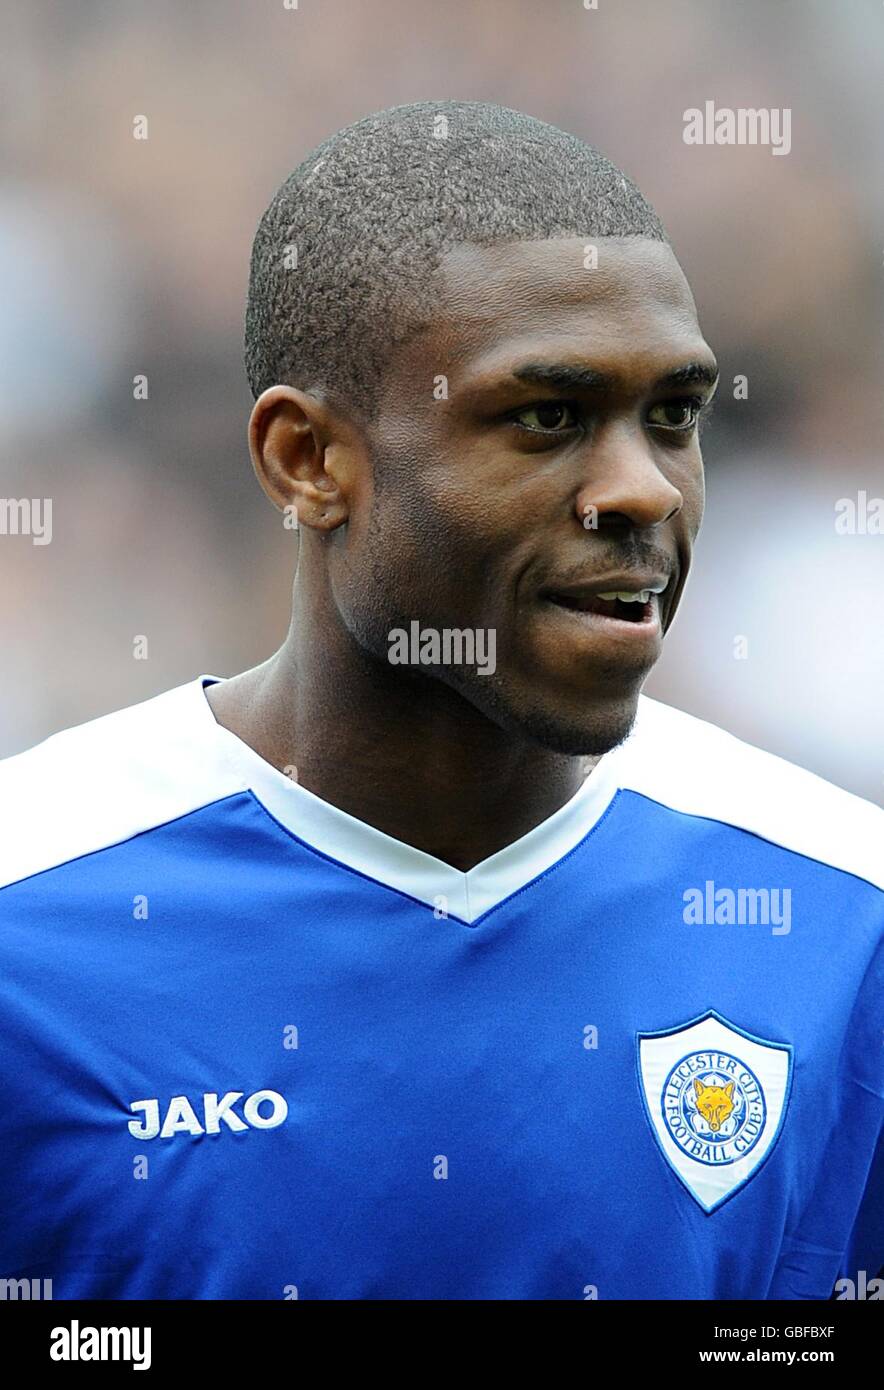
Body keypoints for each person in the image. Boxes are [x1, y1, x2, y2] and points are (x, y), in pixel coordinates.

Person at [0, 101, 880, 1300]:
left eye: (671, 416)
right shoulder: (33, 918)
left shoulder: (837, 914)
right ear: (306, 461)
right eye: (546, 417)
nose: (640, 491)